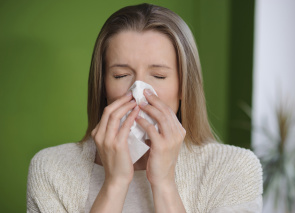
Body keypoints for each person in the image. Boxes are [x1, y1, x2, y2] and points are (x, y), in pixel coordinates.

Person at [27, 3, 263, 213]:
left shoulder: (234, 169)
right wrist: (115, 183)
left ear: (184, 87)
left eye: (158, 75)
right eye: (121, 75)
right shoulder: (52, 169)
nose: (139, 93)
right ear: (103, 86)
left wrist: (164, 184)